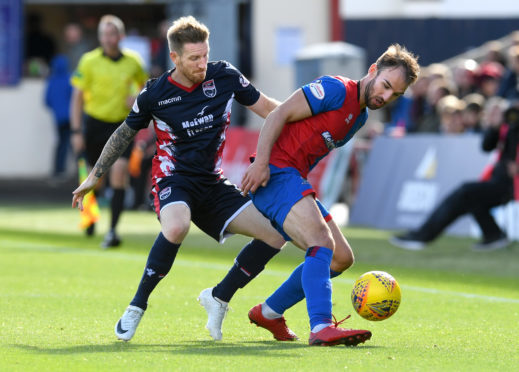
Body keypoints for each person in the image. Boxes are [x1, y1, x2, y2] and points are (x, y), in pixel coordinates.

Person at [72, 16, 288, 343]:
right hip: (173, 179)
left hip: (212, 184)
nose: (202, 64)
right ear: (175, 58)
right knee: (176, 227)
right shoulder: (155, 94)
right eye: (194, 59)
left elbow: (272, 110)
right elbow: (123, 134)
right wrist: (93, 176)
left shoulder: (225, 76)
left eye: (205, 55)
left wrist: (312, 116)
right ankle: (136, 306)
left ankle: (219, 296)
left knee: (275, 234)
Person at [204, 44, 420, 346]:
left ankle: (269, 312)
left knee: (341, 258)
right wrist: (262, 163)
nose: (385, 97)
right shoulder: (334, 89)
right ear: (373, 70)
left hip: (292, 179)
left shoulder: (358, 117)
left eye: (395, 94)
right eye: (385, 85)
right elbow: (278, 114)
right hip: (276, 174)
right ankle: (320, 326)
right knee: (321, 242)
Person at [390, 100, 518, 252]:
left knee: (467, 192)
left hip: (510, 184)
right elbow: (486, 146)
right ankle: (493, 235)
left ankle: (422, 236)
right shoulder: (508, 125)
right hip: (500, 181)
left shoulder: (514, 123)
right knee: (471, 198)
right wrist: (494, 126)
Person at [70, 15, 148, 247]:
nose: (108, 38)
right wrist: (76, 131)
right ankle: (91, 217)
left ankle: (113, 230)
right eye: (104, 34)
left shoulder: (133, 62)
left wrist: (136, 98)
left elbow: (145, 90)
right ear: (100, 37)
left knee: (119, 174)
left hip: (121, 127)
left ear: (120, 36)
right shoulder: (88, 61)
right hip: (94, 124)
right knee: (95, 179)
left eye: (112, 34)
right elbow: (77, 97)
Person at [45, 54, 73, 176]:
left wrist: (57, 110)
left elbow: (47, 101)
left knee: (61, 143)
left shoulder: (51, 80)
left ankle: (58, 170)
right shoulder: (70, 79)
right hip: (72, 118)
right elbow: (76, 98)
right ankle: (82, 173)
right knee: (75, 145)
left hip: (58, 118)